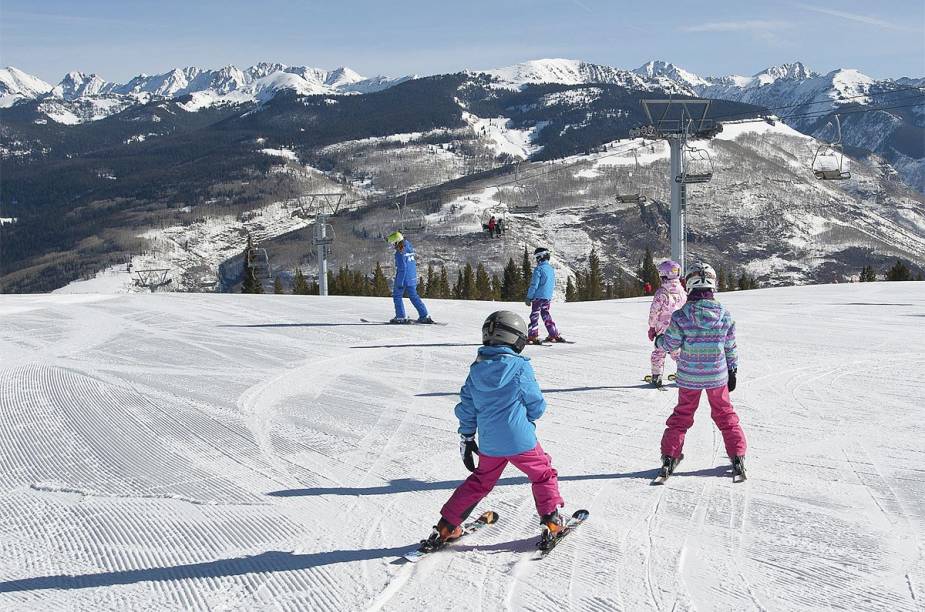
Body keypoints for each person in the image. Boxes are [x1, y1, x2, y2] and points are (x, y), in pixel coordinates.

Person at [425, 310, 566, 546]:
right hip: (520, 440)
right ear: (515, 339)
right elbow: (536, 403)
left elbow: (467, 406)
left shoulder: (476, 370)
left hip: (490, 442)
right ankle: (552, 519)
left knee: (481, 481)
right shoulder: (520, 367)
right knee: (543, 474)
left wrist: (468, 436)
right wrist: (527, 418)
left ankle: (447, 525)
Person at [653, 262, 747, 479]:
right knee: (725, 414)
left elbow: (670, 344)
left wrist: (659, 340)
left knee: (682, 414)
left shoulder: (681, 316)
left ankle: (670, 455)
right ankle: (737, 455)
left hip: (689, 376)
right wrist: (732, 369)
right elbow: (730, 346)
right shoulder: (724, 315)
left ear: (689, 286)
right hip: (717, 376)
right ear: (713, 286)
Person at [647, 260, 687, 387]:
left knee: (659, 351)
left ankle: (657, 376)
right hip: (679, 329)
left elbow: (654, 311)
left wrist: (652, 327)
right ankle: (683, 375)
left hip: (663, 330)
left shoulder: (661, 293)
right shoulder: (682, 291)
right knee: (678, 352)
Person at [387, 231, 432, 324]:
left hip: (404, 278)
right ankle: (424, 315)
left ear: (396, 242)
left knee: (397, 296)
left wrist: (399, 282)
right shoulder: (408, 246)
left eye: (393, 243)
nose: (393, 245)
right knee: (414, 296)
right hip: (412, 277)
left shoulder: (399, 253)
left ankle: (401, 317)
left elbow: (402, 268)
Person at [524, 247, 565, 344]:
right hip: (547, 297)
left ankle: (532, 336)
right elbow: (551, 283)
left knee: (534, 315)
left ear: (540, 257)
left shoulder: (539, 269)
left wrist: (529, 297)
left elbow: (534, 285)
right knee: (546, 314)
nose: (536, 259)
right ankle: (553, 334)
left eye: (537, 257)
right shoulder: (550, 269)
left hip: (538, 297)